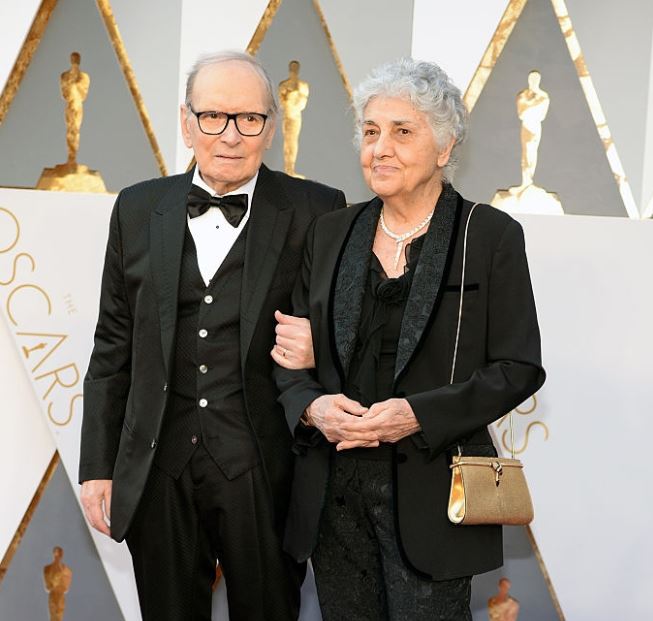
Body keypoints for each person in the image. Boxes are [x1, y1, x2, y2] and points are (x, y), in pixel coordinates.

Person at [273, 58, 545, 620]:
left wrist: (417, 415)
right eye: (371, 132)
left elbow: (518, 367)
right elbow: (289, 358)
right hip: (333, 498)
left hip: (433, 495)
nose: (381, 148)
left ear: (445, 149)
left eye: (402, 131)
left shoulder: (488, 236)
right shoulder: (330, 232)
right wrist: (313, 405)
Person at [79, 50, 346, 621]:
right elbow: (112, 346)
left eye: (249, 119)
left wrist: (319, 346)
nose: (231, 135)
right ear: (186, 121)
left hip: (264, 466)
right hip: (158, 466)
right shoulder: (137, 207)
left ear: (270, 128)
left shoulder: (318, 209)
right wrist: (98, 465)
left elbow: (343, 329)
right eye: (214, 117)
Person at [43, 546, 72, 621]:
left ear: (62, 555)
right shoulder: (47, 569)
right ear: (53, 554)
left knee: (59, 615)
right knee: (53, 615)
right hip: (53, 595)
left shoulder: (67, 571)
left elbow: (66, 588)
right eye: (56, 553)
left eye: (59, 554)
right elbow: (48, 586)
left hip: (60, 595)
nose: (57, 555)